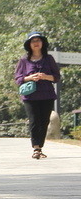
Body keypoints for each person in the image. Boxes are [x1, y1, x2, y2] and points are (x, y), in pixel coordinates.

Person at [14, 31, 60, 159]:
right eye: (33, 41)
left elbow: (56, 77)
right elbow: (18, 79)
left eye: (38, 41)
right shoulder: (24, 60)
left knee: (44, 122)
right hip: (30, 96)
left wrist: (45, 76)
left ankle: (40, 147)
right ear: (29, 44)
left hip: (47, 95)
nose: (36, 43)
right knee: (34, 121)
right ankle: (36, 148)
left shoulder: (49, 59)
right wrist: (30, 77)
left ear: (42, 43)